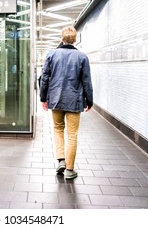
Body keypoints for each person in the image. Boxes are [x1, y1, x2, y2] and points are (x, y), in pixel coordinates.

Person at [39, 26, 93, 180]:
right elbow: (87, 81)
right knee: (72, 135)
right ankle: (69, 169)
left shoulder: (52, 54)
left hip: (55, 98)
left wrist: (43, 98)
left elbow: (45, 78)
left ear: (61, 38)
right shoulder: (82, 57)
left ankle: (61, 159)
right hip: (74, 100)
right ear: (75, 39)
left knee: (58, 129)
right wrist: (89, 100)